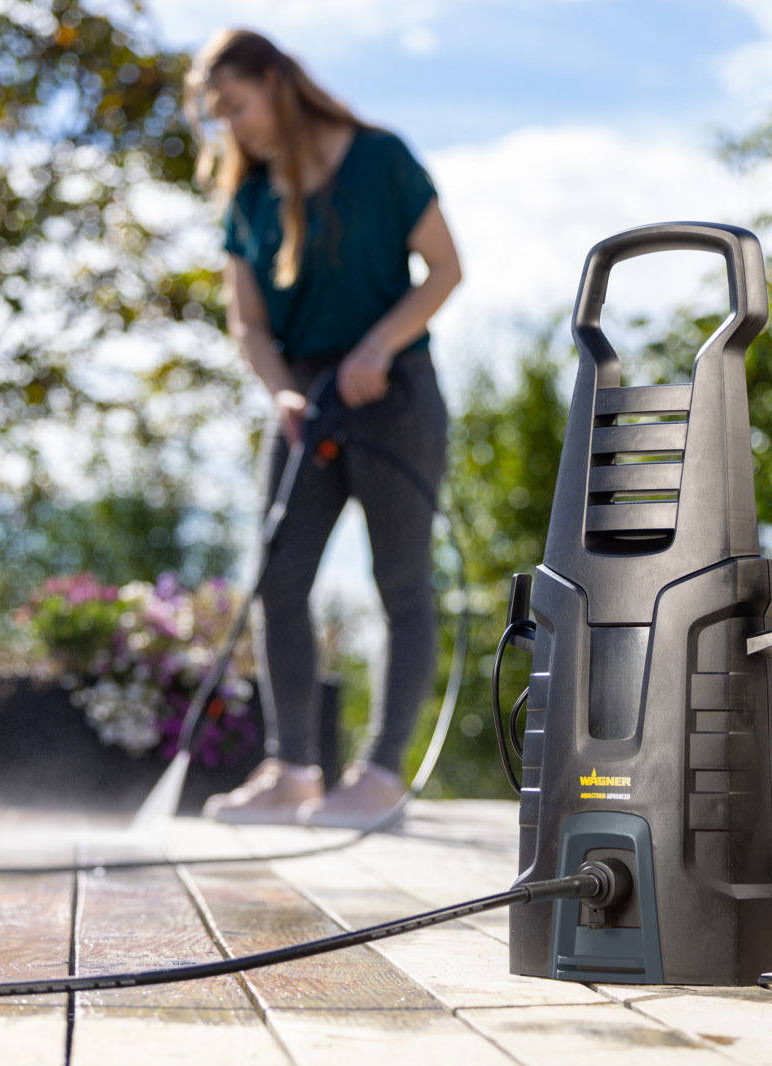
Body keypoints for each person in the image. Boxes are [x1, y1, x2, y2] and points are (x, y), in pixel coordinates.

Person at [186, 29, 462, 827]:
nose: (233, 126)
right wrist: (281, 391)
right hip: (304, 402)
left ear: (275, 81)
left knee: (401, 582)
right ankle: (293, 770)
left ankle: (379, 776)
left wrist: (378, 345)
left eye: (238, 105)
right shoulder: (248, 196)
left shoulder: (381, 160)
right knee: (278, 580)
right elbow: (248, 324)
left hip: (393, 392)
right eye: (218, 115)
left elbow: (446, 269)